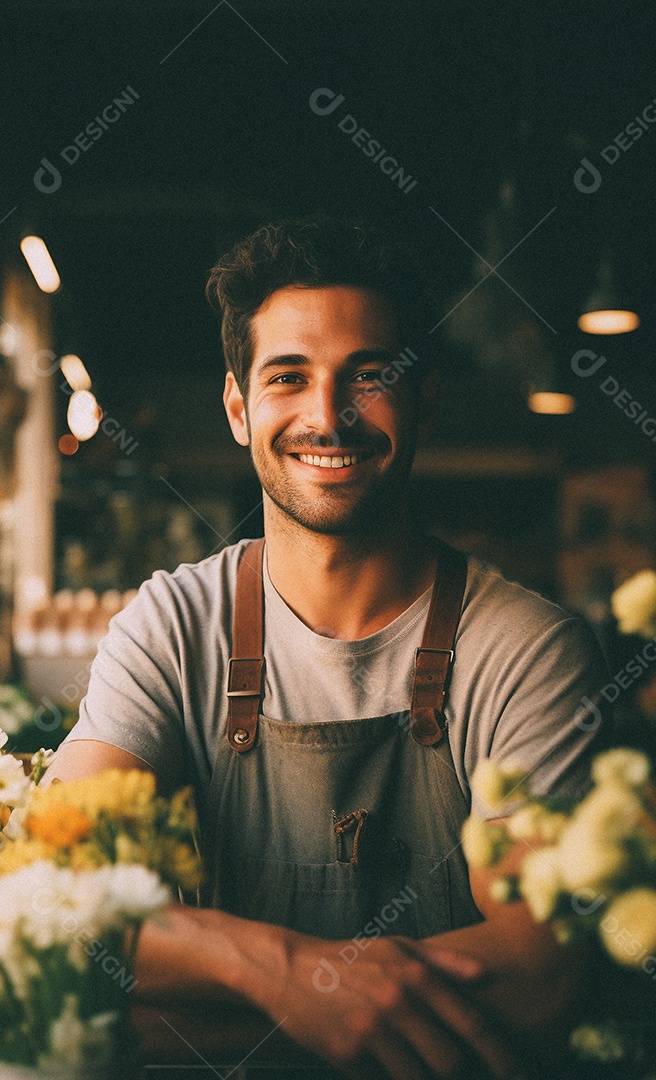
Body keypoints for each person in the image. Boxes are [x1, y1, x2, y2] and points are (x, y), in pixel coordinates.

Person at [46, 217, 610, 1078]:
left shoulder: (529, 649)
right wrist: (287, 974)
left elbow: (538, 974)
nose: (327, 415)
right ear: (239, 410)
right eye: (289, 377)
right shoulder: (170, 627)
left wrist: (179, 1005)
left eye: (370, 376)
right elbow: (50, 893)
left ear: (425, 402)